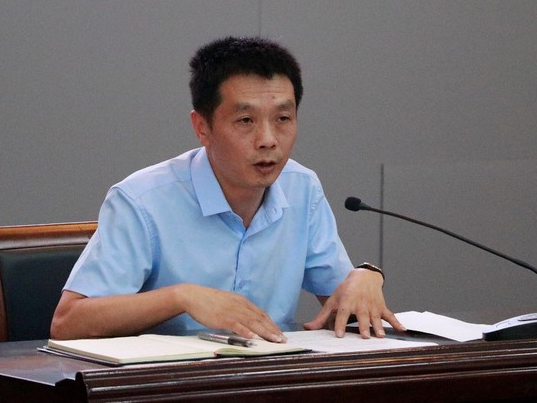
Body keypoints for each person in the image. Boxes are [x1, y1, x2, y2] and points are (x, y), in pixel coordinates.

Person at [51, 36, 404, 343]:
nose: (268, 140)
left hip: (270, 381)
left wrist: (364, 277)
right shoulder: (143, 201)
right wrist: (181, 297)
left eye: (283, 118)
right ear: (202, 128)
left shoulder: (302, 189)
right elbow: (68, 322)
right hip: (171, 384)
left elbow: (340, 309)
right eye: (246, 121)